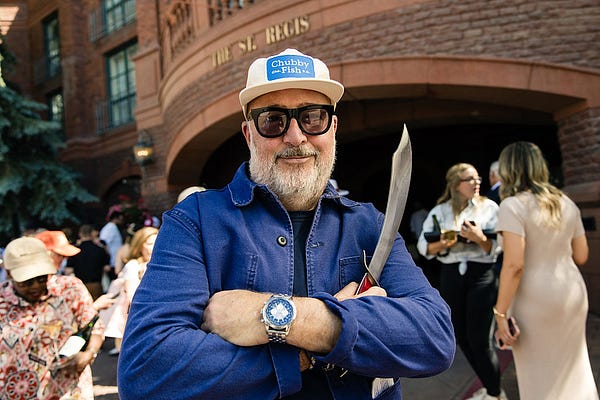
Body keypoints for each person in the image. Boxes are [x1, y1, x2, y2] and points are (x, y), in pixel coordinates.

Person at [118, 48, 455, 399]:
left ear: (333, 128)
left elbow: (434, 339)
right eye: (273, 120)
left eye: (313, 117)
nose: (295, 137)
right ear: (249, 134)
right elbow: (145, 371)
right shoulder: (195, 222)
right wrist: (319, 347)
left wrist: (285, 318)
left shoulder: (370, 224)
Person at [493, 142, 597, 400]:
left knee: (538, 374)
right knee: (575, 367)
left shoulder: (511, 206)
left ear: (508, 170)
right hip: (571, 292)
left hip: (534, 299)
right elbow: (582, 255)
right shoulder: (566, 202)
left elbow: (514, 265)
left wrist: (500, 313)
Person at [417, 163, 504, 400]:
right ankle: (490, 387)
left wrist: (479, 238)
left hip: (481, 274)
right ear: (456, 184)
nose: (477, 183)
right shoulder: (440, 211)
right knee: (462, 336)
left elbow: (499, 247)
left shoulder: (490, 208)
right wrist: (445, 242)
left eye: (478, 178)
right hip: (451, 274)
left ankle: (496, 393)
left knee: (480, 339)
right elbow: (424, 247)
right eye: (470, 179)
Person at [0, 236, 104, 399]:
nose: (35, 286)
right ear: (9, 273)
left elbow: (95, 326)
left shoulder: (70, 289)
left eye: (42, 278)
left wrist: (88, 353)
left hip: (67, 391)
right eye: (26, 282)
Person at [104, 226, 158, 356]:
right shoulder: (133, 266)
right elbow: (132, 296)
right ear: (140, 245)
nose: (154, 247)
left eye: (157, 242)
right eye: (149, 243)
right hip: (135, 317)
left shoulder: (161, 264)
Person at [67, 224, 111, 300]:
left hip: (80, 286)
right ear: (92, 234)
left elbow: (68, 270)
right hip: (96, 285)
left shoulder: (74, 251)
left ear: (80, 234)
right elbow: (107, 268)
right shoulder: (100, 249)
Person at [99, 207, 125, 279]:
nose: (122, 220)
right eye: (121, 218)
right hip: (112, 262)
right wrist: (107, 259)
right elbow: (103, 243)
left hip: (114, 261)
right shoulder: (111, 227)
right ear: (117, 218)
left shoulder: (112, 227)